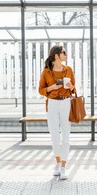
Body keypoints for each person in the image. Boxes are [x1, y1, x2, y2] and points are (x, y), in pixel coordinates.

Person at [38, 45, 76, 180]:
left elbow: (74, 89)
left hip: (66, 102)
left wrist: (71, 87)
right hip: (52, 104)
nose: (66, 54)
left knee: (66, 135)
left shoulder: (69, 70)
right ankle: (58, 162)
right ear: (56, 55)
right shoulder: (46, 72)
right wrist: (51, 87)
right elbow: (41, 90)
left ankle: (64, 166)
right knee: (54, 136)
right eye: (63, 52)